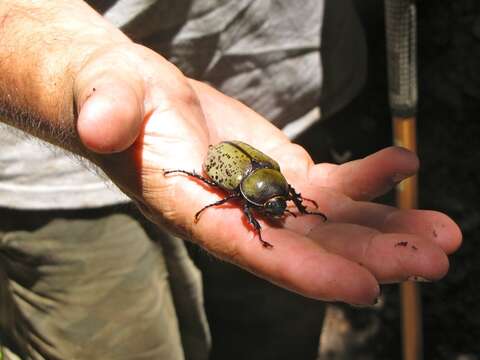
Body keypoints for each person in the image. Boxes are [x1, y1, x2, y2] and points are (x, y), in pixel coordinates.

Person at [0, 0, 462, 359]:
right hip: (43, 182)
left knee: (273, 333)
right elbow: (243, 201)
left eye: (278, 206)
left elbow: (280, 192)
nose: (277, 210)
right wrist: (53, 56)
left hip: (293, 99)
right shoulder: (239, 192)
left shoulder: (276, 185)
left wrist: (295, 203)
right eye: (272, 207)